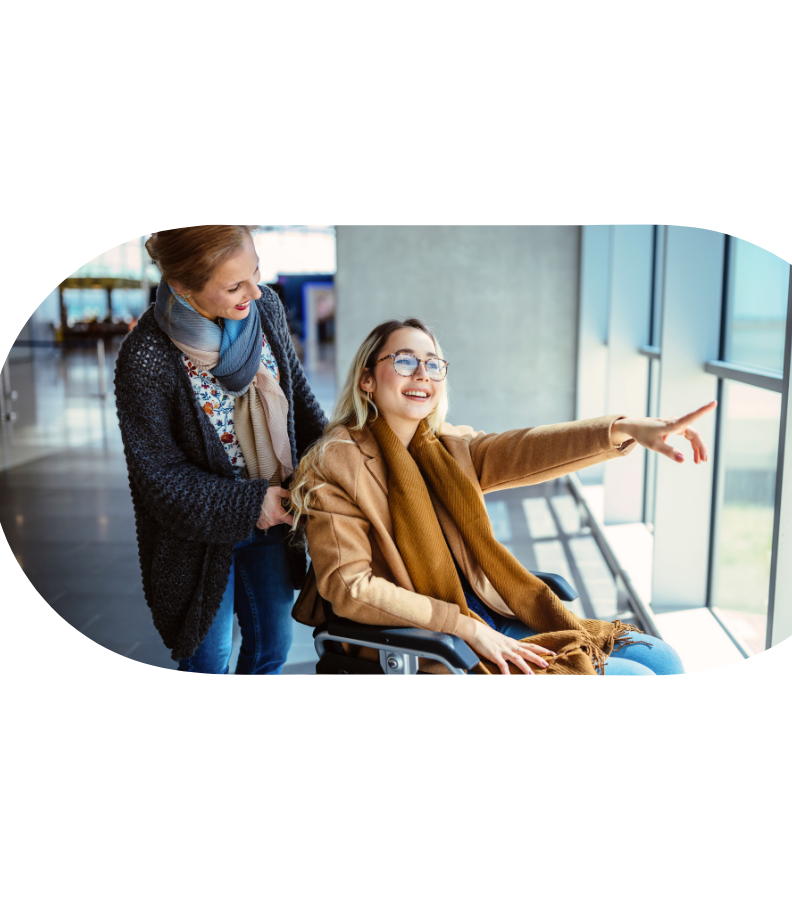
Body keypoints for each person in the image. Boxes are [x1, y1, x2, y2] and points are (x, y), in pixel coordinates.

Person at [290, 318, 715, 675]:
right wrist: (462, 628)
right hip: (436, 643)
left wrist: (624, 429)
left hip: (492, 616)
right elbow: (351, 587)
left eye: (433, 364)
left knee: (662, 658)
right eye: (404, 361)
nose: (422, 374)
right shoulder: (335, 464)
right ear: (367, 379)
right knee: (637, 678)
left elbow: (529, 448)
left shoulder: (447, 447)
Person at [114, 226, 327, 673]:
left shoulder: (264, 308)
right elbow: (160, 479)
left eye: (255, 272)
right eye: (234, 285)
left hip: (273, 522)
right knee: (209, 664)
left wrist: (337, 463)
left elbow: (302, 410)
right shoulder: (147, 355)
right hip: (196, 539)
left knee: (272, 649)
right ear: (182, 287)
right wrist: (252, 503)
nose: (254, 289)